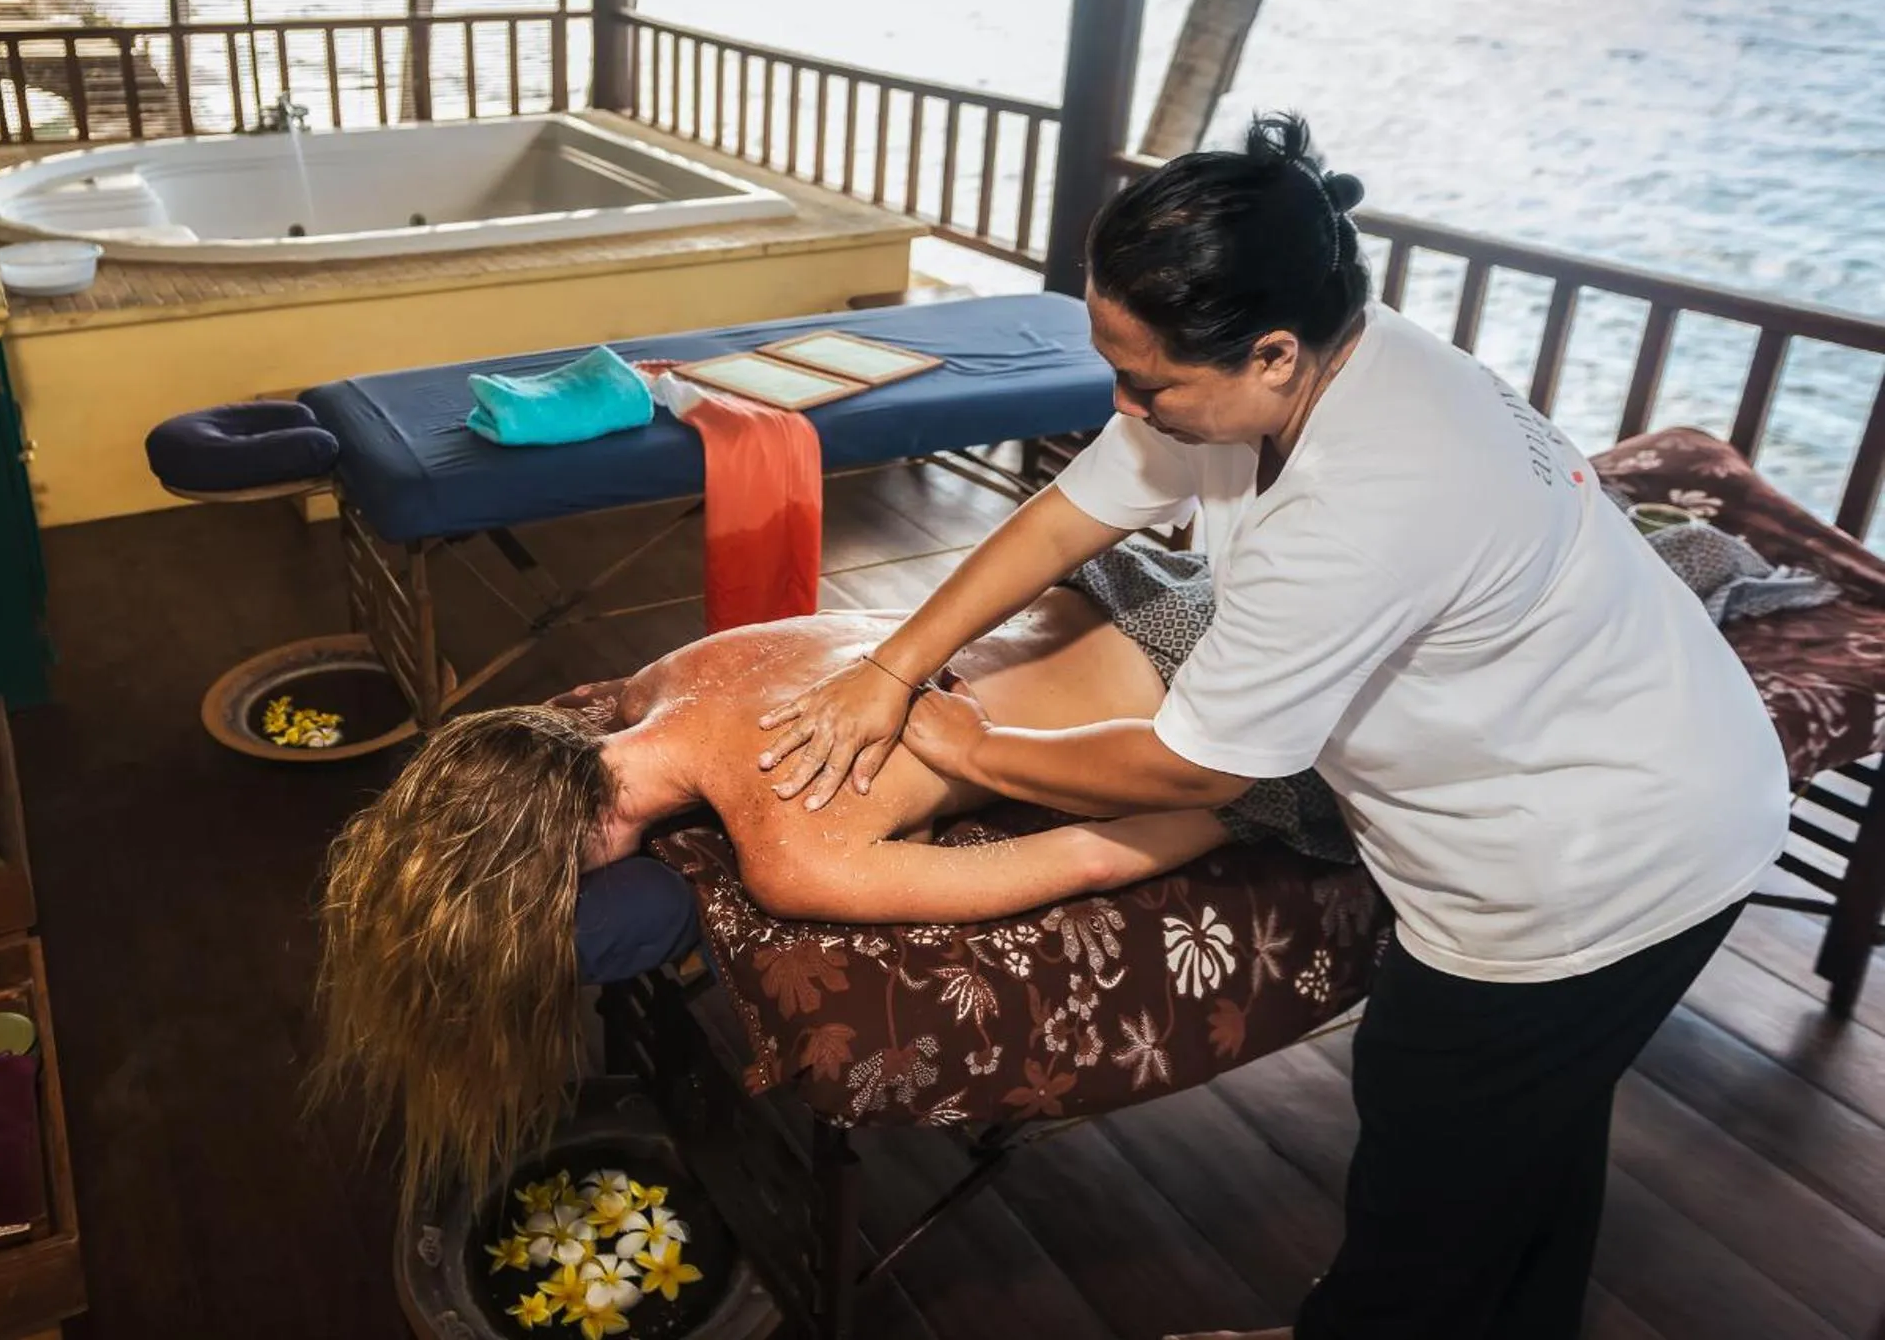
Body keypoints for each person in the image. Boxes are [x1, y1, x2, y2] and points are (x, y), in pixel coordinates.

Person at [757, 113, 1789, 1340]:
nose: (1123, 401)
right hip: (1645, 759)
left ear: (1275, 353)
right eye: (1114, 362)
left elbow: (1195, 761)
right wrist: (890, 665)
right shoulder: (1306, 358)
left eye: (1149, 381)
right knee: (1526, 1149)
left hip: (1598, 855)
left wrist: (967, 743)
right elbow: (1066, 516)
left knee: (1431, 1164)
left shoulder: (1372, 494)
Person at [313, 567, 1349, 1209]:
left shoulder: (788, 850)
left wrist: (1254, 790)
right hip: (1121, 586)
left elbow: (1087, 858)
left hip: (1203, 682)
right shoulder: (682, 667)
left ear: (582, 839)